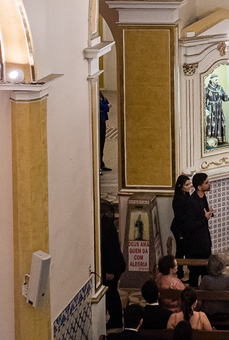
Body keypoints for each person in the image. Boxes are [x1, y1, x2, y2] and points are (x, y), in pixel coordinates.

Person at [101, 201, 128, 329]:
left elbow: (111, 250)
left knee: (111, 293)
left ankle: (116, 320)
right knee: (111, 293)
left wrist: (110, 270)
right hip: (113, 265)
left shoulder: (105, 227)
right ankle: (113, 318)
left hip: (112, 267)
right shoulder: (106, 224)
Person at [184, 173, 214, 284]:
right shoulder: (191, 202)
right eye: (206, 183)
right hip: (195, 245)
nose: (209, 184)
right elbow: (190, 226)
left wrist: (208, 214)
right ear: (199, 187)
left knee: (206, 271)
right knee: (195, 273)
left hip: (204, 242)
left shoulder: (203, 197)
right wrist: (205, 218)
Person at [198, 254, 229, 327]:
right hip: (226, 311)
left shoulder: (205, 279)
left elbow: (200, 298)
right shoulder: (228, 278)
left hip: (209, 311)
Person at [170, 174, 193, 260]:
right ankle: (179, 271)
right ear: (180, 186)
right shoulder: (178, 200)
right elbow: (180, 217)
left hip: (184, 227)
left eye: (189, 184)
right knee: (180, 250)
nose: (189, 187)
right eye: (187, 185)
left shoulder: (186, 195)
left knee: (186, 249)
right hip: (179, 228)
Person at [99, 91, 112, 171]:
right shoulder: (95, 96)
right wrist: (107, 106)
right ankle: (99, 163)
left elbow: (106, 102)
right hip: (99, 122)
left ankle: (101, 163)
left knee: (102, 143)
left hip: (102, 121)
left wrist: (106, 105)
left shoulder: (100, 94)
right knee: (99, 144)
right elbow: (102, 107)